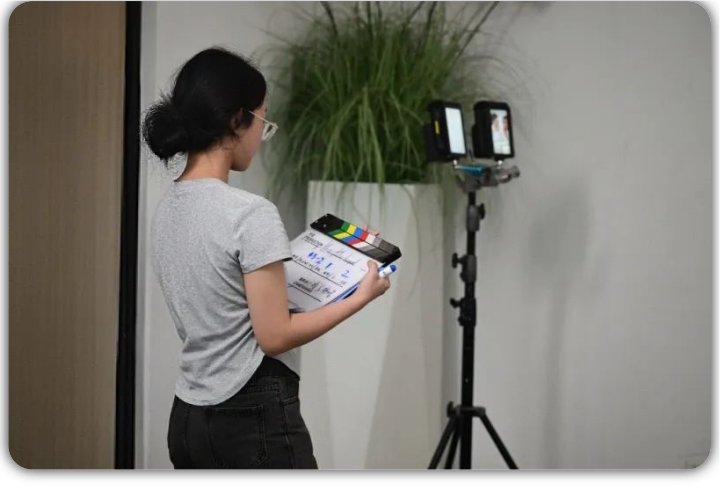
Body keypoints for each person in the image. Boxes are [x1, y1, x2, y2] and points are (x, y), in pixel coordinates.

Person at [142, 47, 391, 470]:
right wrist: (359, 296)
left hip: (188, 419)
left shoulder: (168, 208)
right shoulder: (249, 213)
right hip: (252, 416)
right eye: (263, 121)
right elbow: (274, 336)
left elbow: (227, 302)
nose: (262, 134)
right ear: (237, 121)